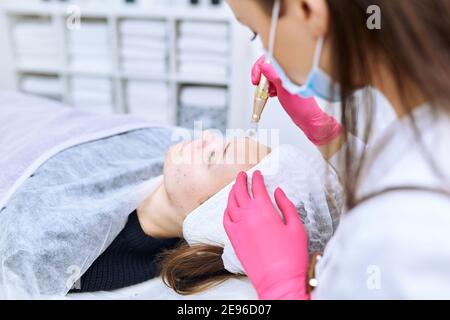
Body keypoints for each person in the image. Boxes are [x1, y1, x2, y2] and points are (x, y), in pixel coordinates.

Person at [224, 0, 450, 299]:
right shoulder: (420, 119)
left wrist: (284, 289)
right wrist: (327, 136)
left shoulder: (405, 227)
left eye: (255, 31)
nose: (265, 48)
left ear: (307, 9)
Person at [71, 132, 270, 292]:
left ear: (207, 211)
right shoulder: (149, 142)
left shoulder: (92, 262)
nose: (207, 135)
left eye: (212, 155)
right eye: (223, 139)